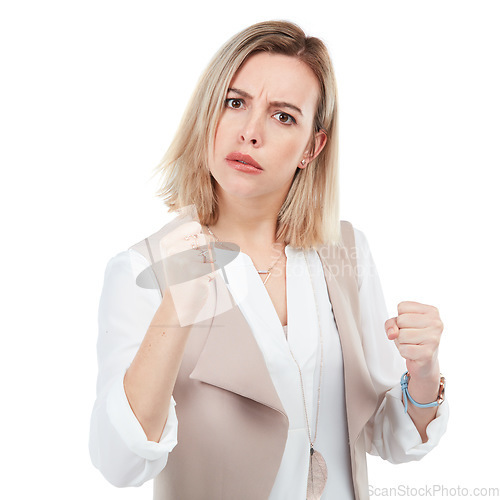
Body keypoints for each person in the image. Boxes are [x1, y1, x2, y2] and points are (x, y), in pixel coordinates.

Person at [89, 20, 449, 500]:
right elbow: (120, 461)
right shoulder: (142, 270)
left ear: (311, 147)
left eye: (283, 116)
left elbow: (385, 435)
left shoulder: (346, 253)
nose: (250, 132)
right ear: (207, 115)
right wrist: (174, 311)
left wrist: (424, 373)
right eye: (235, 103)